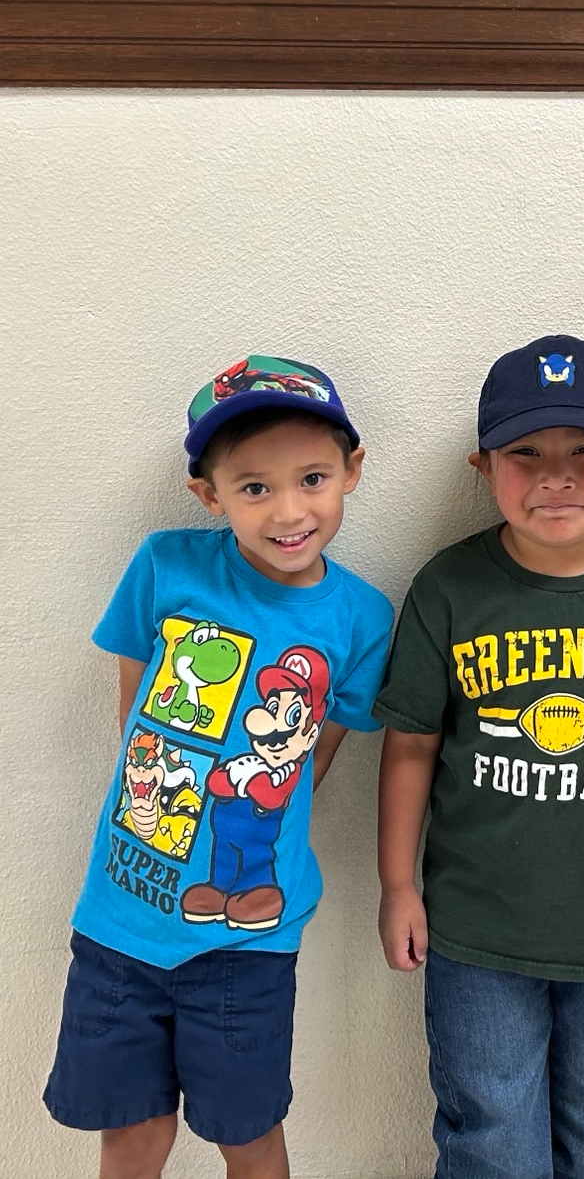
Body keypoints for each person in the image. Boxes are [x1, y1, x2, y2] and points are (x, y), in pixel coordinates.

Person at [375, 334, 584, 1179]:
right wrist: (396, 886)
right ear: (482, 466)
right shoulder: (449, 588)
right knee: (491, 1129)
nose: (554, 476)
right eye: (523, 453)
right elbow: (412, 746)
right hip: (477, 927)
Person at [43, 355, 393, 1179]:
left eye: (312, 478)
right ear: (210, 495)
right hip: (121, 922)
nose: (288, 510)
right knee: (132, 1135)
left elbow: (317, 760)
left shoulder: (362, 618)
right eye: (253, 487)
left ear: (352, 470)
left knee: (248, 1133)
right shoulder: (166, 567)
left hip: (250, 943)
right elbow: (138, 724)